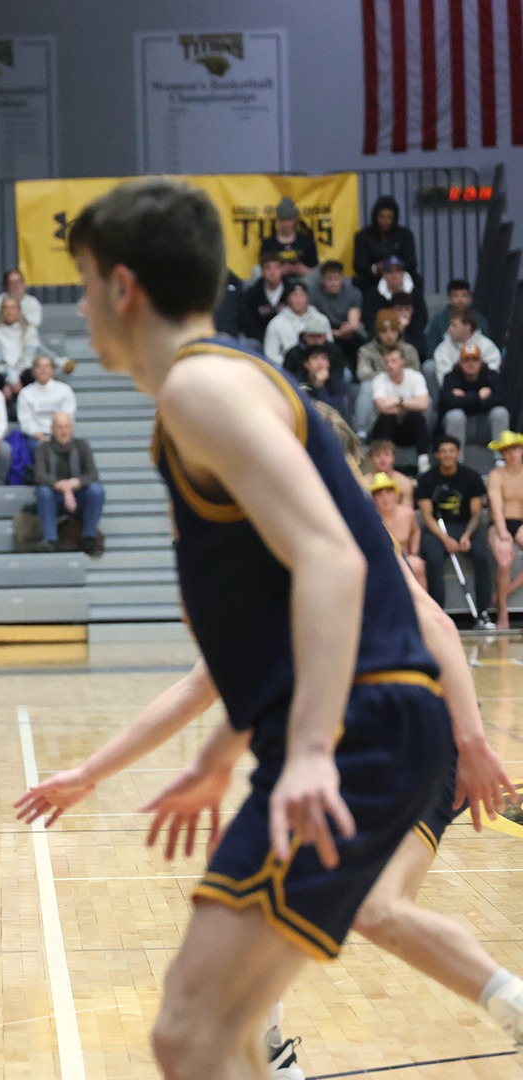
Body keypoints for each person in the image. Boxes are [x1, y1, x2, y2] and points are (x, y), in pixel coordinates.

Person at [65, 178, 455, 1077]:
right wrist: (218, 756)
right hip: (360, 722)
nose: (81, 308)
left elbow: (333, 559)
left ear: (124, 288)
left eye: (84, 285)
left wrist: (312, 749)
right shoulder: (214, 389)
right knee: (201, 1029)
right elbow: (269, 622)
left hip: (362, 725)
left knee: (197, 1029)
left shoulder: (202, 391)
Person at [16, 406, 520, 1072]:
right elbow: (202, 687)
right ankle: (275, 1051)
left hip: (404, 739)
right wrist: (93, 773)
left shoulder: (342, 533)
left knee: (369, 908)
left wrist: (475, 742)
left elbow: (440, 627)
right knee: (272, 897)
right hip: (351, 744)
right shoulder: (269, 543)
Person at [415, 435, 495, 624]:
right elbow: (427, 516)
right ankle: (438, 613)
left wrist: (467, 535)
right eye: (443, 451)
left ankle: (483, 612)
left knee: (483, 556)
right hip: (437, 529)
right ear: (437, 455)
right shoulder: (426, 479)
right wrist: (445, 539)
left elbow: (476, 513)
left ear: (458, 453)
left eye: (451, 451)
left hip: (466, 526)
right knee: (433, 558)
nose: (448, 455)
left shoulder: (471, 477)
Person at [31, 411, 105, 555]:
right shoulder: (43, 448)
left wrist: (73, 484)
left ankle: (89, 537)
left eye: (66, 426)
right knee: (43, 491)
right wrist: (62, 487)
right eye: (59, 427)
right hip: (55, 499)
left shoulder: (82, 446)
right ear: (52, 429)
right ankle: (50, 539)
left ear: (72, 428)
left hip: (79, 499)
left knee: (97, 490)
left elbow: (93, 474)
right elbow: (39, 476)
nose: (63, 431)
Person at [486, 431, 523, 629]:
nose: (512, 453)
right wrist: (502, 532)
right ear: (502, 453)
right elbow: (496, 505)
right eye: (507, 450)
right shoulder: (496, 475)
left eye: (515, 448)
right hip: (499, 522)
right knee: (504, 557)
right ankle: (503, 611)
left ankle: (505, 591)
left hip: (520, 522)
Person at [437, 346, 508, 445]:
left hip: (485, 421)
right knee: (455, 415)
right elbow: (447, 403)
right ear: (460, 362)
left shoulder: (491, 375)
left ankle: (500, 453)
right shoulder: (451, 377)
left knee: (500, 412)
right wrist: (478, 397)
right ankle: (456, 454)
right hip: (458, 423)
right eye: (466, 360)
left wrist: (464, 398)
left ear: (481, 362)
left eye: (474, 359)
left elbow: (502, 399)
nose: (470, 363)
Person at [367, 349, 431, 451]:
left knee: (417, 417)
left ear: (403, 362)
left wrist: (398, 401)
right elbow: (382, 407)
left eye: (394, 361)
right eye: (386, 362)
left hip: (410, 426)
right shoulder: (379, 380)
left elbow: (423, 405)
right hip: (388, 427)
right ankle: (385, 454)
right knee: (387, 418)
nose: (390, 365)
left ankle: (423, 457)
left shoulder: (416, 377)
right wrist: (410, 405)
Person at [0, 294, 41, 395]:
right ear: (1, 311)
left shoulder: (30, 330)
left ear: (19, 310)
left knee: (32, 374)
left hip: (23, 374)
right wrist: (10, 379)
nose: (9, 311)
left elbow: (29, 356)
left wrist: (16, 379)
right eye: (5, 307)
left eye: (13, 307)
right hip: (1, 375)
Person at [371, 471, 425, 587]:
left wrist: (414, 551)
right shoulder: (371, 519)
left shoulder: (408, 514)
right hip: (381, 562)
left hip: (404, 558)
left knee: (417, 564)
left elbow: (416, 531)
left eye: (388, 492)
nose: (385, 498)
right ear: (374, 500)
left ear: (396, 495)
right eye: (379, 494)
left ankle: (422, 599)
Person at [354, 194, 418, 290]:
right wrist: (375, 268)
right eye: (381, 217)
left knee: (416, 279)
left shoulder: (405, 235)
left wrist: (394, 268)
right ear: (375, 217)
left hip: (399, 275)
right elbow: (359, 263)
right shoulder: (363, 236)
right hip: (373, 277)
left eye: (389, 217)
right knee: (359, 280)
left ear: (395, 218)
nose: (385, 221)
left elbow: (411, 262)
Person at [362, 256, 428, 345]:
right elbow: (370, 320)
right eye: (390, 271)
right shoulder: (373, 294)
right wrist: (393, 326)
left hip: (412, 335)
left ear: (403, 273)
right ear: (383, 274)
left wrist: (406, 327)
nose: (394, 275)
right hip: (381, 337)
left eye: (398, 271)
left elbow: (421, 317)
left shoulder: (415, 292)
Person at [309, 261, 366, 364]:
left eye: (336, 279)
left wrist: (347, 329)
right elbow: (315, 323)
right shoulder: (314, 294)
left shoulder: (353, 292)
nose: (333, 283)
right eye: (329, 279)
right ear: (322, 279)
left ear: (342, 278)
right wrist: (336, 333)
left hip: (346, 331)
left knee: (359, 336)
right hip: (325, 332)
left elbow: (353, 322)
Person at [422, 279, 489, 359]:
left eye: (464, 295)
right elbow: (431, 350)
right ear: (449, 298)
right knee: (429, 365)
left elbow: (486, 347)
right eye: (456, 296)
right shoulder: (438, 321)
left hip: (475, 361)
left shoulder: (481, 320)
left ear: (469, 298)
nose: (460, 300)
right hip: (445, 361)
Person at [14, 356, 74, 441]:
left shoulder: (64, 390)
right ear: (33, 371)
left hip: (60, 435)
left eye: (47, 366)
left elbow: (68, 416)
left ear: (52, 370)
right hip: (34, 437)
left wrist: (57, 433)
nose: (43, 370)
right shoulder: (25, 393)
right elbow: (26, 422)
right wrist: (38, 435)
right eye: (39, 366)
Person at [429, 310, 503, 379]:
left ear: (467, 327)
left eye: (454, 325)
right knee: (429, 367)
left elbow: (492, 373)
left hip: (482, 387)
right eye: (450, 325)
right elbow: (443, 377)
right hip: (454, 387)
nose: (449, 329)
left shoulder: (487, 346)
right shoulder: (443, 348)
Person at [261, 281, 322, 364]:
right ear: (288, 298)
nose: (299, 300)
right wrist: (290, 366)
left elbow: (329, 347)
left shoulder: (320, 319)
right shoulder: (276, 323)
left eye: (302, 295)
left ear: (308, 298)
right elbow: (271, 354)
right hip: (286, 368)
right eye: (295, 296)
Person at [257, 196, 318, 279]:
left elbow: (315, 268)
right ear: (277, 220)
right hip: (276, 281)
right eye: (282, 220)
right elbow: (263, 268)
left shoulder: (306, 241)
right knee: (256, 270)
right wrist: (279, 271)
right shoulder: (268, 243)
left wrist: (306, 271)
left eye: (289, 220)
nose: (286, 223)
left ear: (295, 220)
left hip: (303, 281)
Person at [237, 252, 287, 342]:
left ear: (282, 270)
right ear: (262, 271)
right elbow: (249, 323)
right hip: (260, 340)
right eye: (268, 268)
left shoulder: (291, 291)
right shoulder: (252, 294)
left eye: (276, 267)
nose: (273, 272)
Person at [296, 345, 347, 415]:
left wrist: (319, 386)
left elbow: (332, 412)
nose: (320, 363)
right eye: (315, 358)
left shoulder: (337, 383)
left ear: (329, 364)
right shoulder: (298, 382)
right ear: (306, 364)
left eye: (324, 358)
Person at [366, 439, 415, 506]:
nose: (382, 459)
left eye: (387, 454)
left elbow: (407, 510)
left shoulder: (404, 483)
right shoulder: (364, 483)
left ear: (393, 457)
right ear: (371, 459)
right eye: (377, 455)